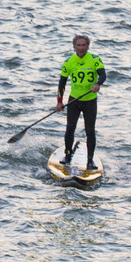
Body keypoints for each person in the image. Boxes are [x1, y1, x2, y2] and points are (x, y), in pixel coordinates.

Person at [56, 34, 105, 172]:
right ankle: (67, 155)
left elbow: (103, 74)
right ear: (74, 46)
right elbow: (62, 84)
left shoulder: (95, 59)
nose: (81, 48)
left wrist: (98, 84)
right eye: (79, 45)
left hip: (90, 100)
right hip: (74, 100)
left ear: (88, 46)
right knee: (70, 128)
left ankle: (90, 161)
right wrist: (59, 102)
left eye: (84, 45)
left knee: (90, 130)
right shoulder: (69, 62)